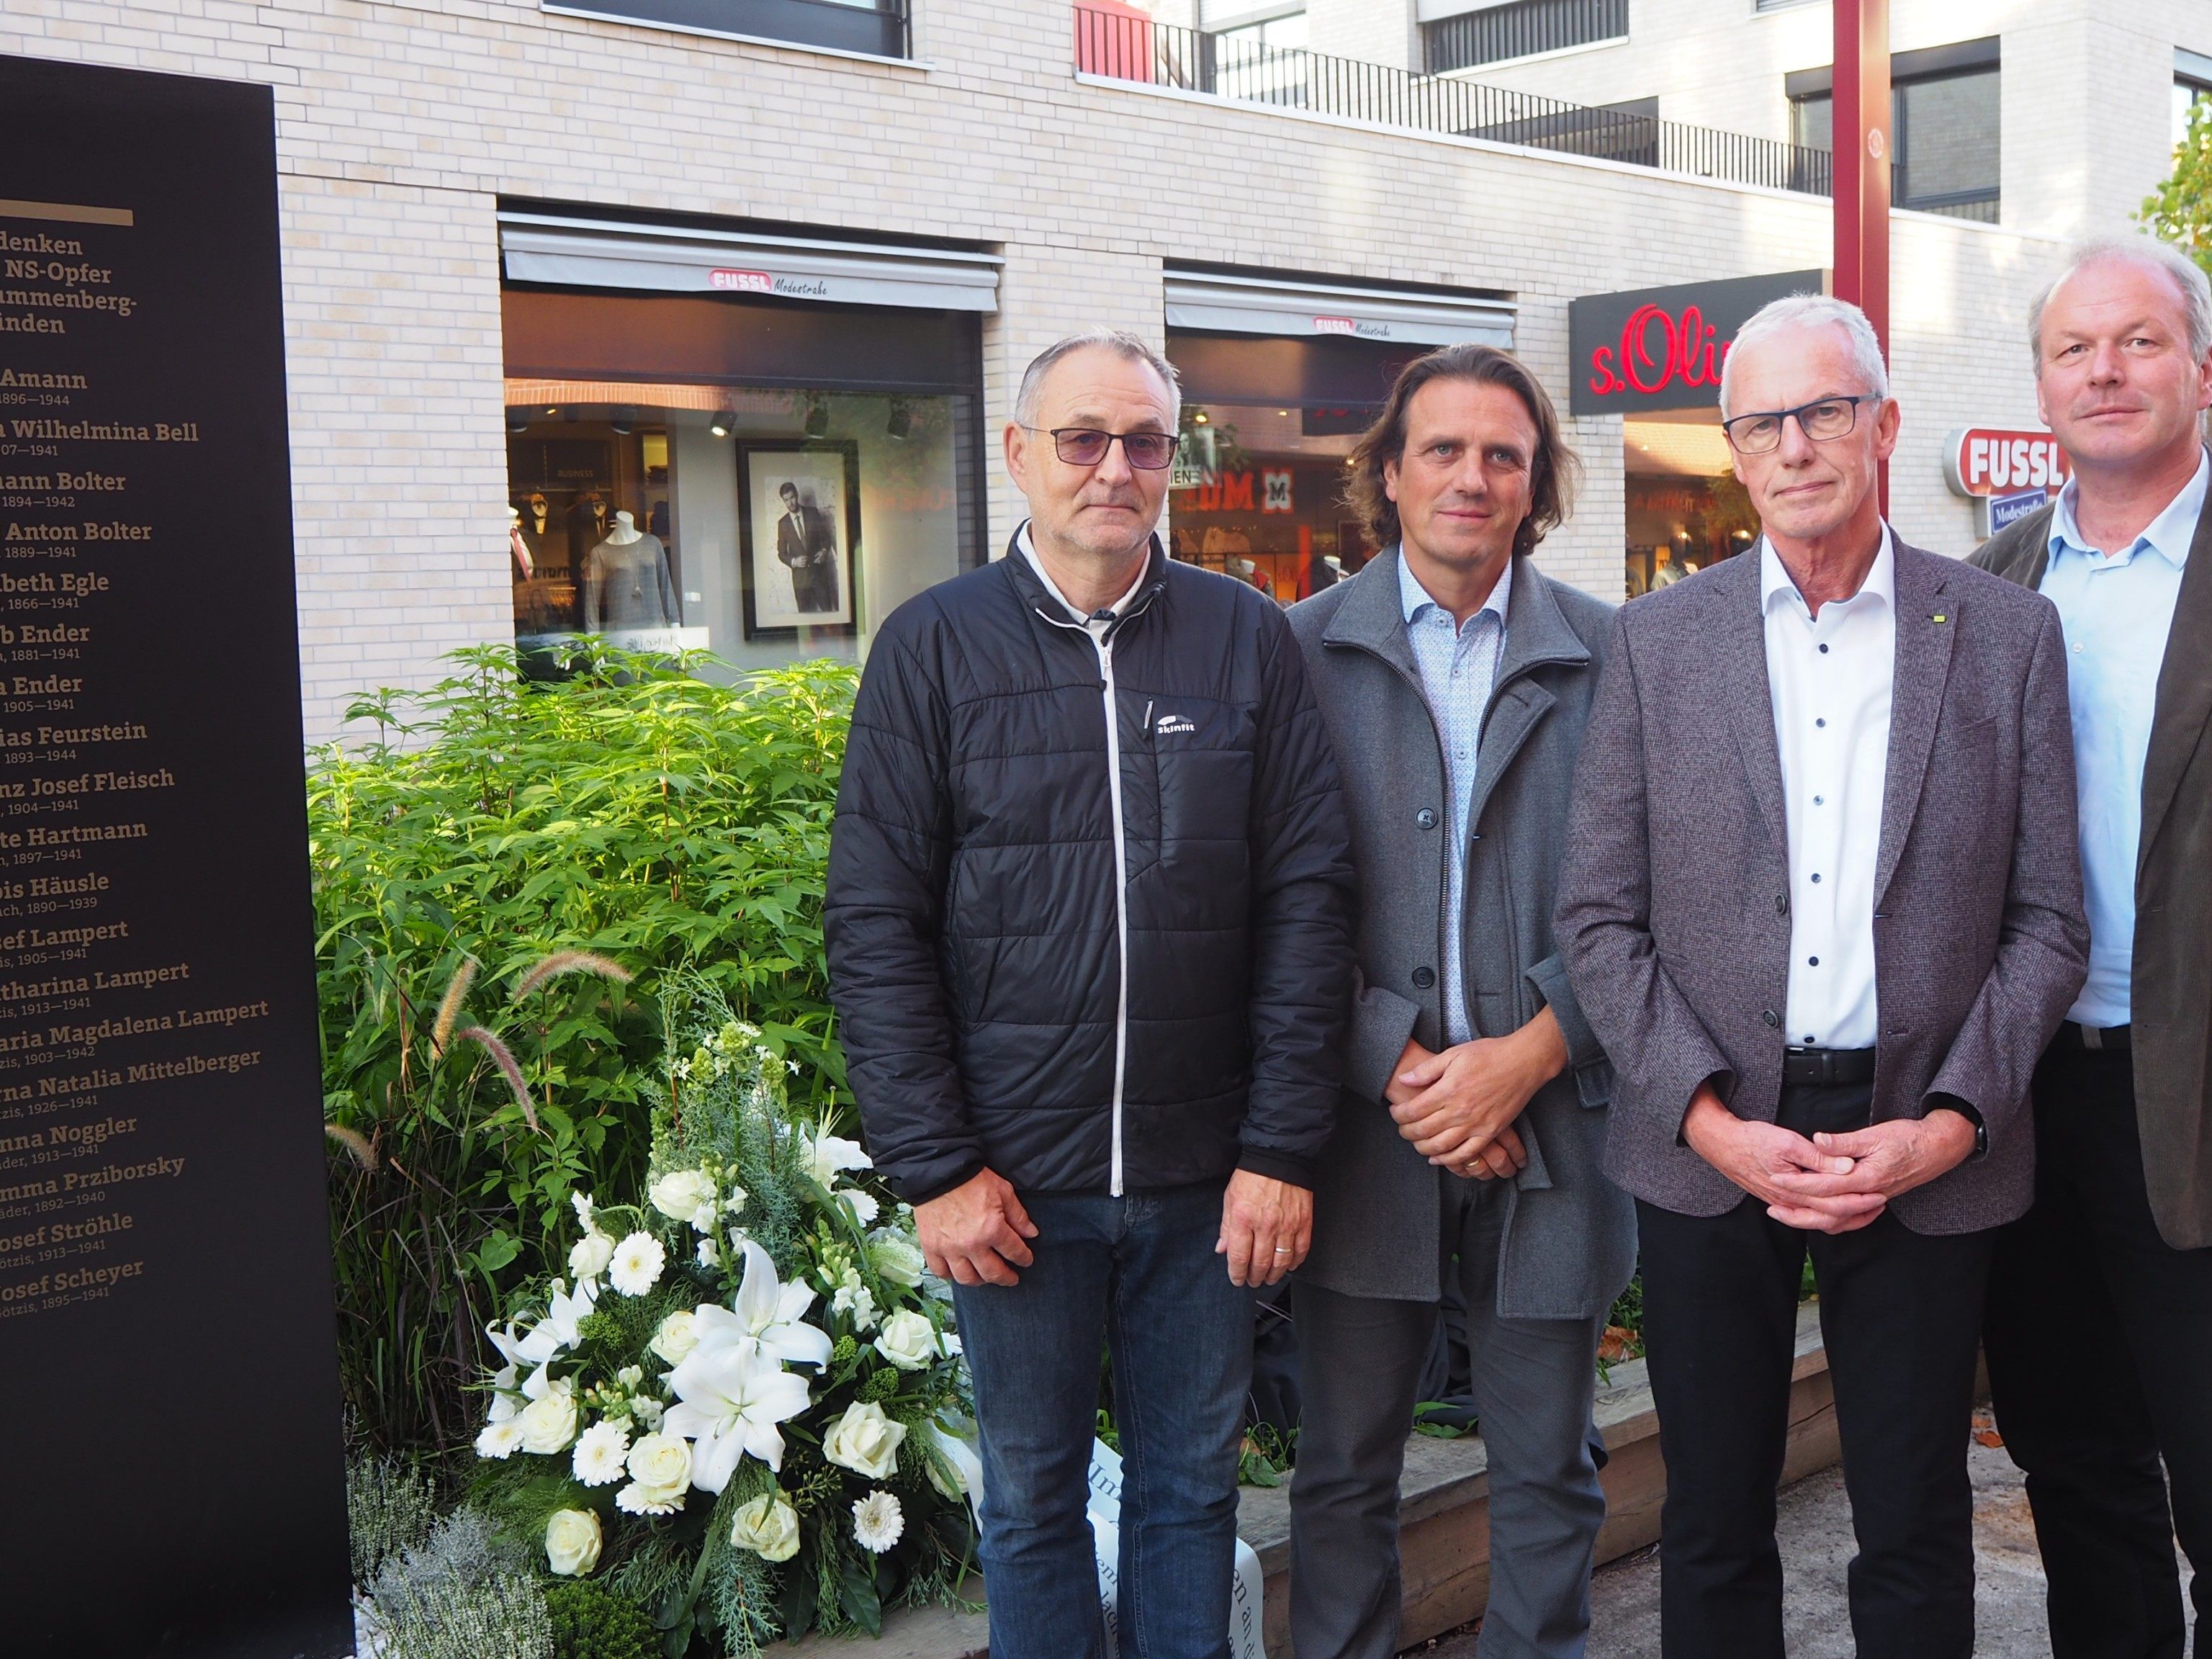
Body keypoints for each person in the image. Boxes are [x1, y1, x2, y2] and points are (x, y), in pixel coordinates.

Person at [1555, 293, 2089, 1659]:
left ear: (1882, 423)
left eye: (1823, 410)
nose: (1794, 444)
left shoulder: (2004, 634)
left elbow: (2045, 922)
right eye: (1761, 422)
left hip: (1923, 1124)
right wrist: (1712, 1120)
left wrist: (1950, 1123)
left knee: (1913, 1512)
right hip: (1709, 1125)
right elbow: (1599, 920)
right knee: (1714, 1514)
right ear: (1732, 451)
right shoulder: (1656, 642)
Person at [824, 328, 1357, 1659]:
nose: (1113, 467)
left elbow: (1308, 899)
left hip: (1206, 1181)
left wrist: (1282, 1146)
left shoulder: (1246, 639)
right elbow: (875, 923)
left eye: (1143, 441)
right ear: (1018, 453)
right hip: (1013, 1188)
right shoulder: (931, 649)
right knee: (1029, 1500)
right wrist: (937, 1166)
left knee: (1188, 1493)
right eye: (1081, 438)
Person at [1282, 343, 1635, 1659]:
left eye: (1503, 452)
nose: (1472, 477)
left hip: (1554, 1122)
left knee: (1549, 1469)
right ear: (1388, 469)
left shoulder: (1613, 652)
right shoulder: (1294, 653)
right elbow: (1265, 902)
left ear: (1536, 480)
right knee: (1342, 1465)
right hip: (1364, 1125)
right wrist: (1404, 1063)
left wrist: (1529, 1052)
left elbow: (1658, 894)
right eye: (1442, 448)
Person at [1972, 236, 2212, 1658]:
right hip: (2027, 1100)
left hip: (2194, 1099)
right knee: (2074, 1473)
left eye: (2138, 341)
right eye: (2076, 349)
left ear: (2200, 367)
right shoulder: (1989, 583)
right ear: (2045, 382)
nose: (2106, 371)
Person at [775, 480, 840, 612]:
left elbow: (826, 538)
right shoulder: (783, 523)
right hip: (800, 581)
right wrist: (794, 561)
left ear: (797, 495)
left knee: (829, 614)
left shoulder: (812, 513)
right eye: (786, 500)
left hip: (819, 576)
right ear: (783, 501)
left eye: (792, 497)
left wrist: (824, 551)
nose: (790, 503)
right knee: (804, 623)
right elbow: (781, 554)